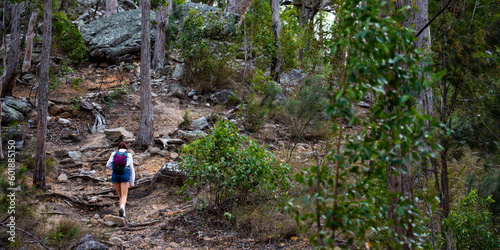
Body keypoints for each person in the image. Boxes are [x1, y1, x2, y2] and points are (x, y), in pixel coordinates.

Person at [106, 142, 135, 218]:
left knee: (120, 196)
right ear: (126, 148)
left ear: (118, 148)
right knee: (124, 195)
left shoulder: (114, 153)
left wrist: (114, 168)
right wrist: (132, 182)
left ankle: (122, 213)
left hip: (115, 175)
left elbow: (107, 165)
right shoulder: (128, 154)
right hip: (124, 175)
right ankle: (122, 209)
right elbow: (131, 169)